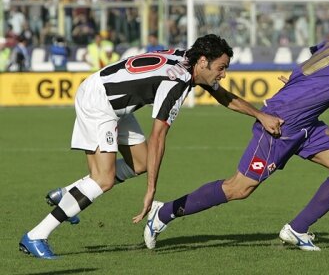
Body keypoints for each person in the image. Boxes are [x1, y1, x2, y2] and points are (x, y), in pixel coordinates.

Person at [143, 9, 329, 252]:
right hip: (280, 123)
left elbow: (316, 55)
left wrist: (296, 79)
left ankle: (297, 229)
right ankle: (163, 212)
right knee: (239, 188)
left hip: (306, 123)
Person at [18, 34, 283, 259]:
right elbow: (158, 137)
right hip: (100, 102)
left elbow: (223, 96)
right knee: (104, 179)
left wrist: (260, 114)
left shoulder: (186, 58)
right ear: (203, 62)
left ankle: (68, 193)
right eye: (221, 68)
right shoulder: (177, 83)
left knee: (141, 163)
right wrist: (151, 190)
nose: (223, 75)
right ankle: (36, 236)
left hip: (116, 101)